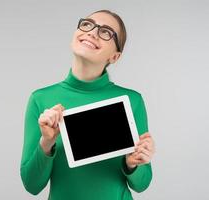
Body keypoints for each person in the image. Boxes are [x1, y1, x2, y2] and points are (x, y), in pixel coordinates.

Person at [20, 9, 155, 200]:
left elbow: (142, 184)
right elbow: (31, 185)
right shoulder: (40, 99)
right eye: (87, 24)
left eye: (106, 32)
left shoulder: (132, 101)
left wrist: (132, 164)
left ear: (115, 57)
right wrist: (47, 142)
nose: (92, 32)